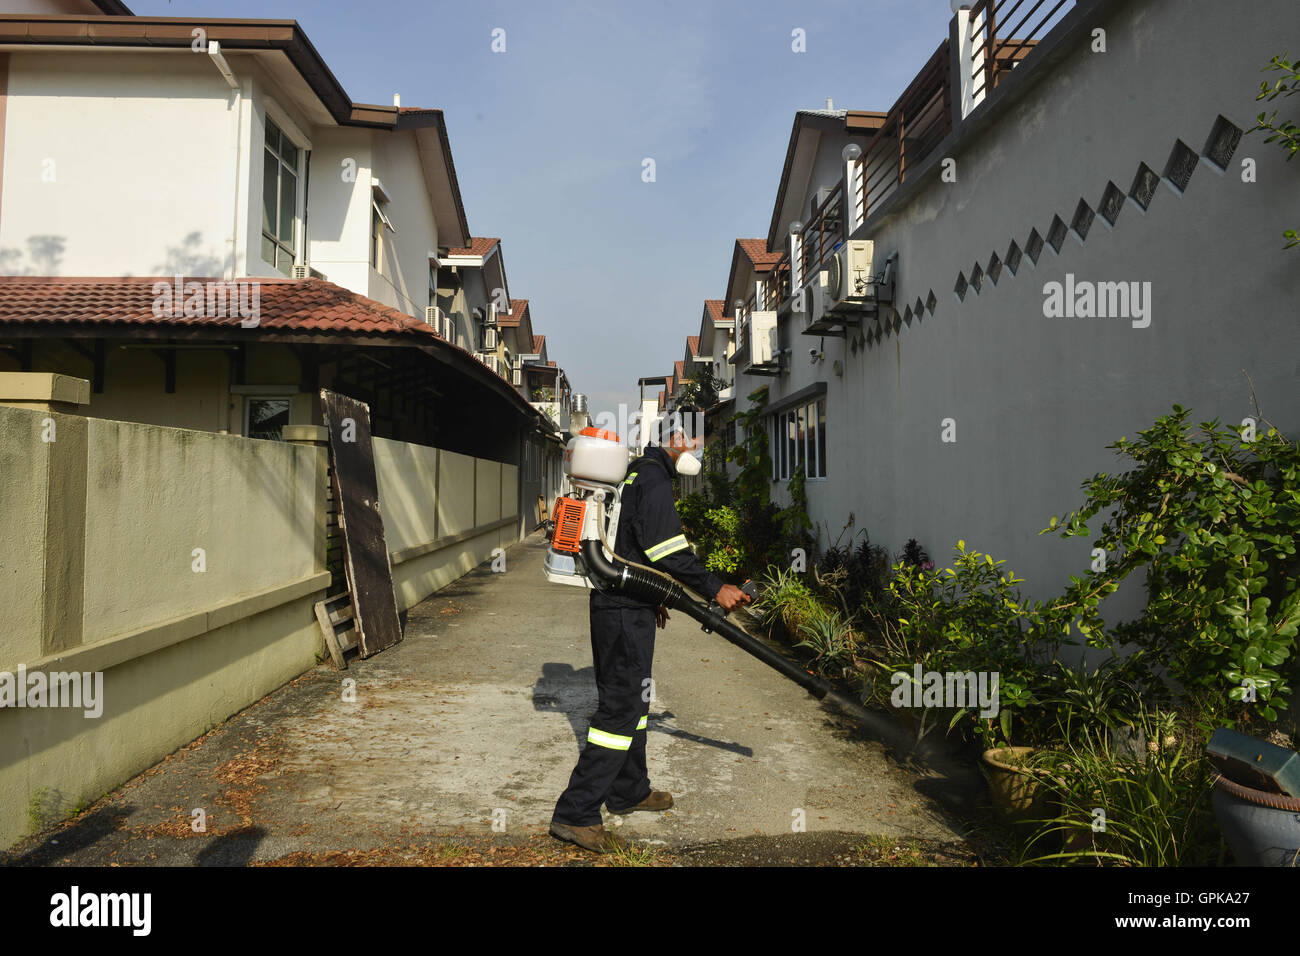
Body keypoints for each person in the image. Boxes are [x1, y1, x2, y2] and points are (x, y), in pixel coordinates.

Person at [549, 408, 751, 853]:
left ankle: (629, 790)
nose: (700, 451)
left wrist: (655, 596)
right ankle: (575, 813)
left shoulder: (637, 473)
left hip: (622, 604)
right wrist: (716, 589)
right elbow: (668, 552)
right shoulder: (656, 480)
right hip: (622, 610)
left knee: (635, 699)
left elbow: (629, 546)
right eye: (698, 443)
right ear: (678, 438)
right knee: (619, 713)